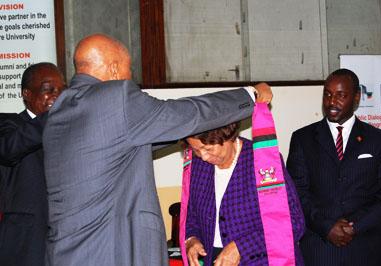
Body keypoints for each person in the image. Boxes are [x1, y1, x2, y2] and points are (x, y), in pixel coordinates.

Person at [41, 33, 272, 266]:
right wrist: (250, 96)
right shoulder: (116, 97)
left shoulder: (59, 111)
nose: (131, 79)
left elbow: (146, 135)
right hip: (111, 253)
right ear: (113, 69)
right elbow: (189, 113)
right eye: (129, 69)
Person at [286, 68, 381, 266]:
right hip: (319, 249)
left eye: (341, 95)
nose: (331, 102)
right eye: (327, 94)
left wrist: (356, 227)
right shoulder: (302, 139)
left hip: (366, 248)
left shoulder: (378, 140)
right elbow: (295, 192)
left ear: (356, 97)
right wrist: (326, 226)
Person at [182, 121, 305, 266]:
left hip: (262, 260)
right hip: (213, 259)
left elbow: (293, 223)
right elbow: (191, 214)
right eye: (196, 150)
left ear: (227, 136)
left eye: (208, 149)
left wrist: (241, 248)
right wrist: (191, 239)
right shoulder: (197, 164)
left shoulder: (263, 162)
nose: (203, 156)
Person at [0, 62, 65, 266]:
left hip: (66, 240)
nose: (56, 96)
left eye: (62, 91)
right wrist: (53, 117)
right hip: (26, 244)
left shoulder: (69, 131)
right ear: (26, 93)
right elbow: (9, 149)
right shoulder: (9, 125)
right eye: (48, 90)